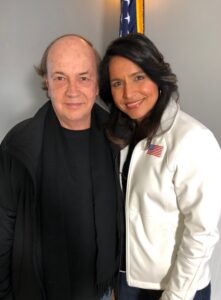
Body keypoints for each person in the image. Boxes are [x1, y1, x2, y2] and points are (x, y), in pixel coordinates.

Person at [99, 33, 221, 300]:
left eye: (138, 77)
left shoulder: (192, 138)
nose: (128, 93)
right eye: (117, 83)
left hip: (172, 288)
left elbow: (201, 230)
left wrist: (175, 295)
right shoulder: (122, 134)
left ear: (157, 76)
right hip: (127, 280)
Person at [0, 34, 121, 300]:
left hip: (105, 292)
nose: (73, 90)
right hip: (36, 291)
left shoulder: (121, 139)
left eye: (83, 77)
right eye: (60, 77)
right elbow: (3, 230)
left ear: (97, 84)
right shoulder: (17, 145)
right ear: (47, 82)